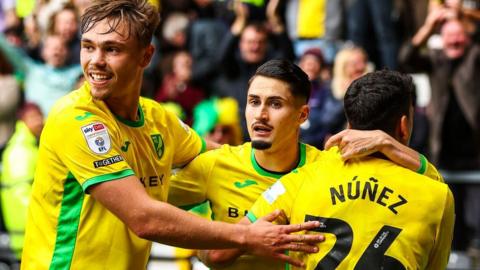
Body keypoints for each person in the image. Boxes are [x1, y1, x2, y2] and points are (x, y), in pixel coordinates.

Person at [20, 1, 325, 269]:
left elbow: (230, 160)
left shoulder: (158, 119)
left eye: (111, 49)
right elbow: (145, 218)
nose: (95, 61)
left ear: (146, 56)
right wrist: (245, 234)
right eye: (88, 46)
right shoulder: (74, 118)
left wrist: (321, 164)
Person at [168, 60, 443, 269]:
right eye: (254, 102)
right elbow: (146, 208)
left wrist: (387, 142)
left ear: (302, 115)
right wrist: (215, 238)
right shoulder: (215, 165)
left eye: (275, 104)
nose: (261, 115)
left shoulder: (324, 166)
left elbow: (429, 184)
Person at [245, 70, 454, 269]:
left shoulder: (303, 177)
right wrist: (387, 143)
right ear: (404, 126)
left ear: (349, 125)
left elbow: (224, 250)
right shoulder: (437, 194)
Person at [399, 15, 480, 251]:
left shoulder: (475, 57)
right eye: (449, 35)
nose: (454, 40)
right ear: (441, 40)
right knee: (451, 215)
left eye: (458, 35)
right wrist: (428, 26)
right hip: (443, 149)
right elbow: (406, 58)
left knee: (476, 214)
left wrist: (464, 16)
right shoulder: (436, 60)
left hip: (475, 150)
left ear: (467, 37)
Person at [1, 103, 43, 260]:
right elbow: (21, 194)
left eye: (40, 115)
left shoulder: (28, 146)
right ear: (22, 121)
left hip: (26, 235)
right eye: (33, 117)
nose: (40, 121)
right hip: (28, 234)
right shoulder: (21, 150)